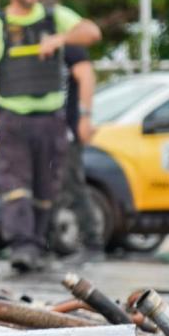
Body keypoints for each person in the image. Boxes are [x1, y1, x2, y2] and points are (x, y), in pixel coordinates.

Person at [0, 0, 101, 271]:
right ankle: (22, 245)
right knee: (15, 186)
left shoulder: (55, 17)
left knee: (47, 189)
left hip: (50, 120)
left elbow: (91, 32)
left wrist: (61, 38)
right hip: (13, 118)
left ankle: (38, 243)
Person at [58, 42, 105, 257]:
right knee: (45, 191)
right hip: (42, 131)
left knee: (73, 185)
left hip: (66, 130)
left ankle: (92, 242)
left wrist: (85, 117)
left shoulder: (68, 46)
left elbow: (86, 75)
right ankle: (46, 245)